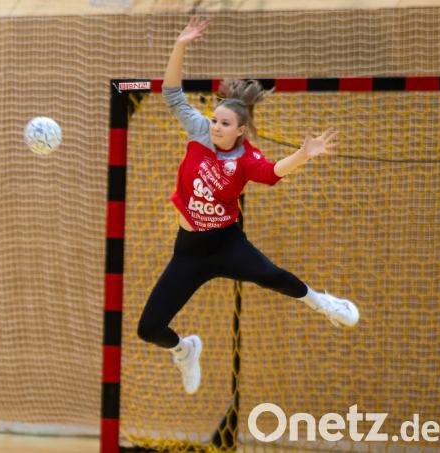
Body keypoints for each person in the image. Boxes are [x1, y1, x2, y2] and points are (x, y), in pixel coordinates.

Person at [136, 18, 360, 395]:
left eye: (224, 123)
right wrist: (180, 45)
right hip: (189, 252)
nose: (216, 126)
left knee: (273, 276)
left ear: (240, 129)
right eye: (214, 119)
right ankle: (185, 349)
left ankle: (323, 303)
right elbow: (172, 93)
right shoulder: (199, 131)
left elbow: (273, 172)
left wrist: (304, 154)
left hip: (226, 244)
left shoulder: (245, 158)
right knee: (149, 328)